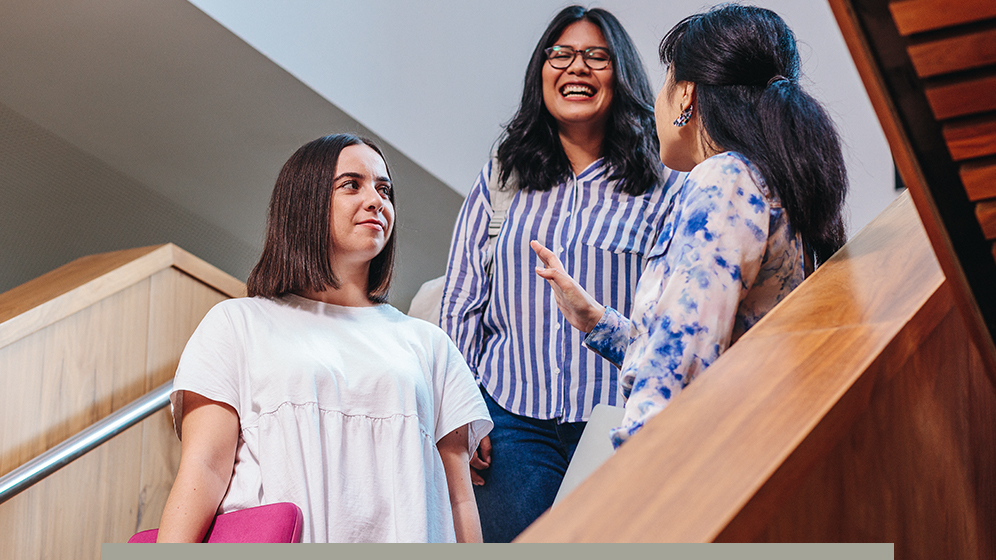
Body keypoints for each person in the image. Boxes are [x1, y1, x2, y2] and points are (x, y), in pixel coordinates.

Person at [533, 4, 848, 447]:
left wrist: (637, 469)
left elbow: (680, 365)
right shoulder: (767, 183)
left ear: (686, 95)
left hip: (697, 465)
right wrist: (596, 321)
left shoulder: (725, 179)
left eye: (665, 83)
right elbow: (708, 347)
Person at [157, 134, 492, 543]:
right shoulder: (237, 323)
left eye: (384, 189)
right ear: (305, 203)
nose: (376, 201)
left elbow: (458, 500)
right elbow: (204, 468)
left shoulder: (429, 344)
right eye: (352, 185)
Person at [440, 5, 685, 542]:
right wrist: (457, 415)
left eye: (597, 57)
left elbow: (671, 318)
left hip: (613, 423)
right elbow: (461, 303)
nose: (578, 68)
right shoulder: (502, 177)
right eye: (562, 55)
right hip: (509, 425)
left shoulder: (663, 186)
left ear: (621, 76)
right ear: (542, 71)